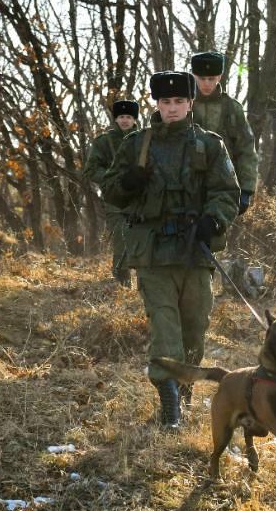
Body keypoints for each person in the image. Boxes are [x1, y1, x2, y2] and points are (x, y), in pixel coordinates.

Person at [101, 71, 240, 430]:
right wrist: (128, 183)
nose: (172, 108)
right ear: (157, 104)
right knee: (166, 330)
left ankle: (185, 395)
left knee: (195, 329)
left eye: (179, 101)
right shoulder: (135, 145)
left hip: (195, 252)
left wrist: (213, 221)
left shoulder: (210, 145)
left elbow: (227, 191)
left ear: (190, 104)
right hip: (153, 254)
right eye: (166, 102)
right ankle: (170, 411)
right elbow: (112, 192)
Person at [190, 51, 258, 214]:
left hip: (223, 187)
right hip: (188, 186)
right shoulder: (183, 105)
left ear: (219, 77)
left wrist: (246, 189)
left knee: (216, 236)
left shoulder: (232, 109)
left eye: (211, 79)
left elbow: (246, 149)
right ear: (194, 76)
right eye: (202, 78)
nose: (206, 83)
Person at [83, 99, 140, 286]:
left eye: (129, 117)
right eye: (121, 117)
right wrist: (112, 178)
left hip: (141, 198)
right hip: (115, 199)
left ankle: (148, 283)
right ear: (116, 119)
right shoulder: (103, 142)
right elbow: (91, 169)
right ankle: (122, 283)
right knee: (121, 239)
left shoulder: (144, 139)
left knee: (145, 240)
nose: (125, 120)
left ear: (134, 119)